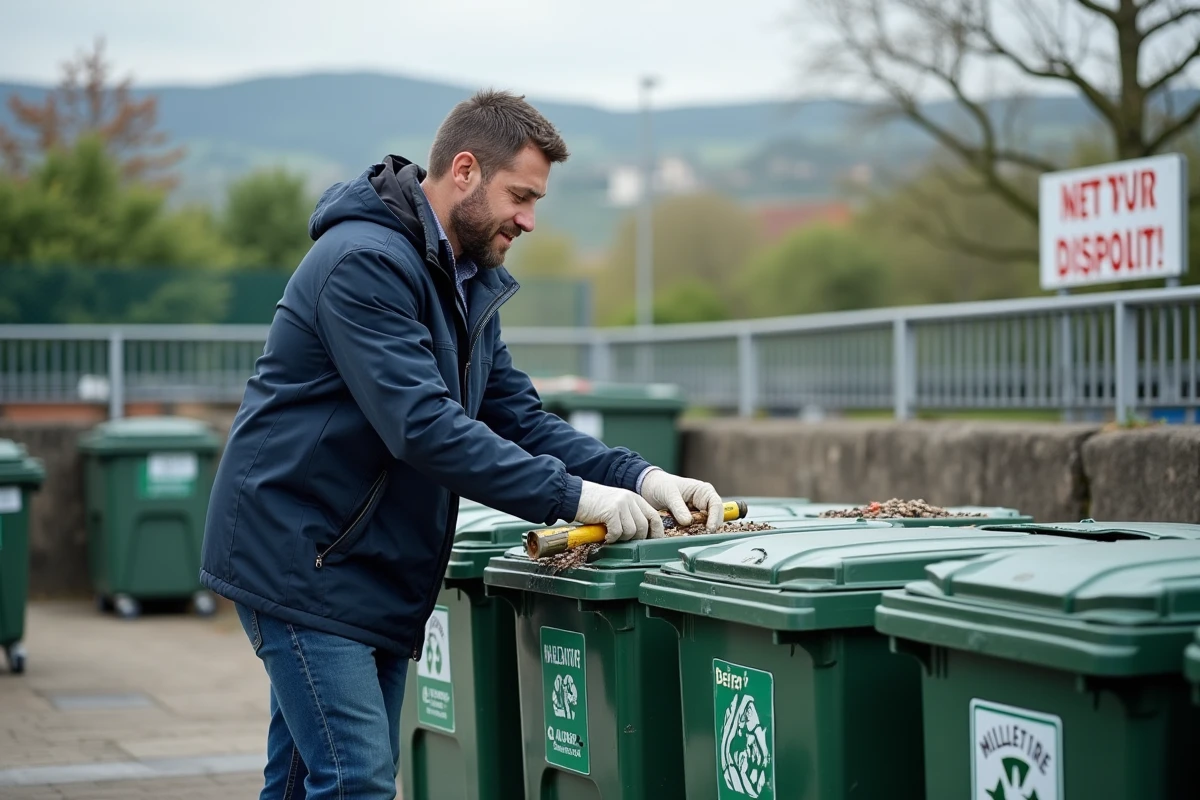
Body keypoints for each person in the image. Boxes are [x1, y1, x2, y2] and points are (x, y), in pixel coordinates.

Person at [199, 89, 726, 799]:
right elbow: (424, 428)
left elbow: (519, 418)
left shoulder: (465, 280)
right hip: (302, 556)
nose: (530, 220)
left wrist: (643, 476)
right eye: (521, 196)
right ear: (467, 170)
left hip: (365, 569)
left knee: (303, 782)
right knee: (356, 782)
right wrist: (574, 497)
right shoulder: (364, 262)